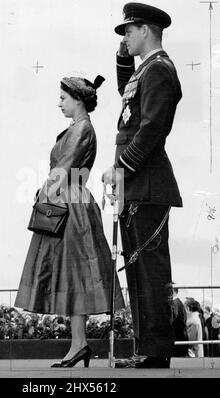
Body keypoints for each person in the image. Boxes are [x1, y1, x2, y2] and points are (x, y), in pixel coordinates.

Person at [14, 75, 124, 368]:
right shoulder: (79, 128)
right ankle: (79, 345)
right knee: (73, 275)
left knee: (73, 274)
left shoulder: (81, 129)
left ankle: (79, 345)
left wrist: (43, 196)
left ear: (78, 99)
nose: (59, 102)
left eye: (63, 98)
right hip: (72, 201)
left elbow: (62, 171)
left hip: (70, 202)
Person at [102, 2, 183, 369]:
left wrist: (120, 167)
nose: (125, 37)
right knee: (139, 269)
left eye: (128, 32)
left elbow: (151, 128)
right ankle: (147, 348)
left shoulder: (160, 70)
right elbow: (129, 100)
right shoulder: (148, 70)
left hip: (147, 182)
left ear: (146, 30)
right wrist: (123, 58)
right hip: (140, 184)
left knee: (150, 270)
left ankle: (155, 350)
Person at [171, 286, 188, 357]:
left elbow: (173, 321)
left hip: (177, 337)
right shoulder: (179, 303)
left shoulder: (174, 304)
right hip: (182, 337)